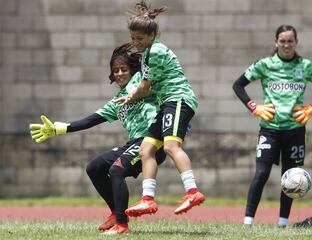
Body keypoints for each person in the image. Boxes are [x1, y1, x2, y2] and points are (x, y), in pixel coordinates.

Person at [29, 43, 166, 235]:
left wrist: (146, 36)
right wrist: (60, 128)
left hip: (152, 142)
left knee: (116, 169)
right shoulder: (118, 101)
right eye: (115, 70)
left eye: (123, 69)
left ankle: (122, 225)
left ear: (132, 70)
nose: (119, 73)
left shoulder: (140, 81)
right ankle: (115, 213)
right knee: (94, 167)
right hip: (135, 143)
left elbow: (151, 73)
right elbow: (91, 120)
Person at [232, 25, 312, 227]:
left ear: (296, 43)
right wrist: (254, 108)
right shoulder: (265, 65)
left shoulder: (306, 66)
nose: (286, 45)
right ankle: (248, 223)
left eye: (290, 41)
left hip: (295, 130)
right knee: (261, 174)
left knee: (291, 178)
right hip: (269, 129)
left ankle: (282, 223)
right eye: (282, 41)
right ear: (276, 42)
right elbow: (238, 85)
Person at [113, 0, 205, 217]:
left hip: (178, 100)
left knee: (171, 147)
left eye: (140, 38)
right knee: (146, 149)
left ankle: (192, 191)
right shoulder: (147, 53)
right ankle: (147, 199)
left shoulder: (155, 51)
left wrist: (130, 97)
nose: (136, 43)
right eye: (133, 38)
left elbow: (145, 87)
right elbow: (146, 88)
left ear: (152, 35)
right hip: (167, 104)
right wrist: (132, 96)